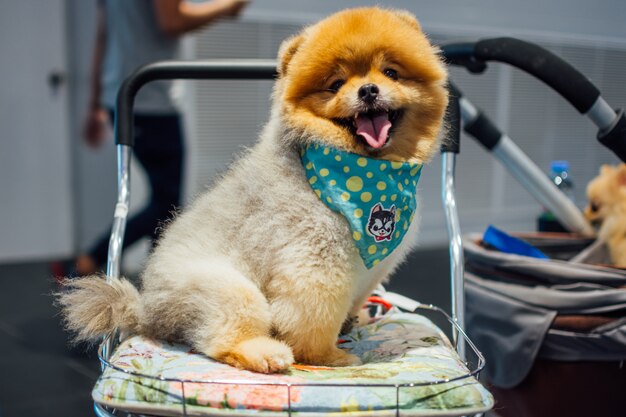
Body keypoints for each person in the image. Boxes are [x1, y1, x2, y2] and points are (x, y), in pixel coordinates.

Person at [76, 0, 251, 276]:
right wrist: (228, 7)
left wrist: (94, 103)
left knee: (164, 206)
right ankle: (91, 259)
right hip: (149, 97)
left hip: (122, 95)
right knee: (166, 206)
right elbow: (172, 22)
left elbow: (102, 36)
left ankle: (154, 285)